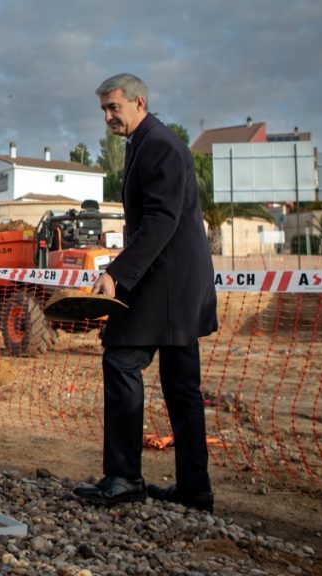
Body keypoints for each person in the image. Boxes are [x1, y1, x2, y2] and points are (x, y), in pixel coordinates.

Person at [72, 73, 218, 511]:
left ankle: (123, 479)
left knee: (120, 361)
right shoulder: (145, 142)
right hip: (175, 286)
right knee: (181, 387)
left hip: (165, 286)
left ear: (139, 102)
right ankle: (195, 491)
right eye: (103, 109)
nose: (108, 117)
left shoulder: (159, 145)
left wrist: (116, 274)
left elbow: (160, 221)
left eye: (113, 107)